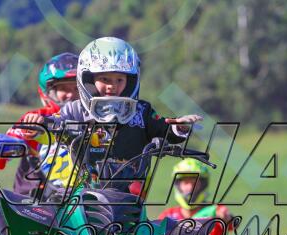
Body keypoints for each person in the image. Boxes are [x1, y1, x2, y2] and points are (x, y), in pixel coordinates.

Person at [21, 37, 202, 169]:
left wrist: (180, 127)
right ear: (89, 80)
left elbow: (163, 129)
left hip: (130, 192)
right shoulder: (75, 109)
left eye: (119, 80)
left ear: (131, 81)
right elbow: (56, 124)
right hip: (82, 189)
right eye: (105, 79)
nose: (112, 86)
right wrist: (39, 125)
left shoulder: (142, 111)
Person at [0, 52, 79, 196]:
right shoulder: (36, 118)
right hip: (38, 198)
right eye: (64, 89)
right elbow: (0, 158)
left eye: (77, 88)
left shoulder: (95, 117)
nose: (71, 94)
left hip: (82, 194)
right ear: (49, 92)